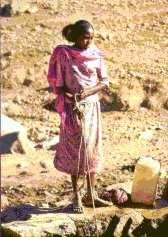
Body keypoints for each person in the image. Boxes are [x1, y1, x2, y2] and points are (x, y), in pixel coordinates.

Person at [47, 20, 113, 213]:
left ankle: (91, 194)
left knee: (91, 148)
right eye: (85, 37)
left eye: (91, 38)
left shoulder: (96, 55)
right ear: (75, 36)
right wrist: (72, 98)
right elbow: (59, 86)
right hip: (72, 109)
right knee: (75, 150)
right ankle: (77, 196)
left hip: (91, 107)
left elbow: (105, 81)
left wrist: (87, 93)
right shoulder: (64, 54)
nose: (89, 41)